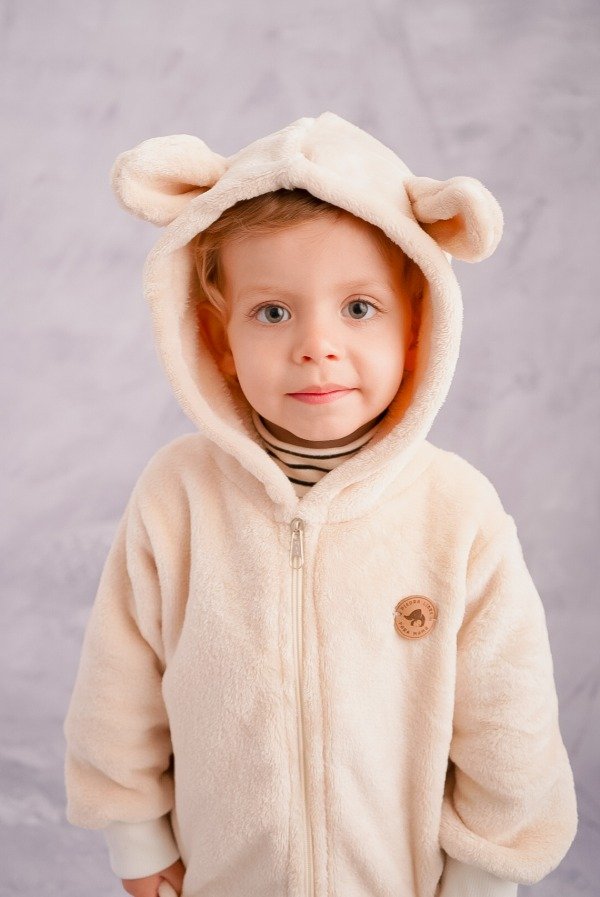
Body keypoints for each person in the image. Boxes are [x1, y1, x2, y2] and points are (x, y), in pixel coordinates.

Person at [62, 112, 577, 897]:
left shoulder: (456, 511)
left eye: (359, 307)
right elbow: (118, 678)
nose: (317, 345)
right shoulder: (178, 496)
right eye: (273, 312)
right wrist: (134, 830)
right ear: (219, 339)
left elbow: (510, 714)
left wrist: (485, 874)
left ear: (416, 327)